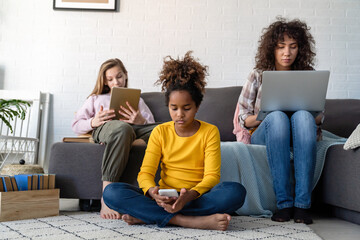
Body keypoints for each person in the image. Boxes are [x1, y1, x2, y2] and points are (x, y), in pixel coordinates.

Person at [102, 51, 246, 231]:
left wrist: (188, 196)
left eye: (186, 108)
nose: (179, 114)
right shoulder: (160, 131)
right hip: (163, 197)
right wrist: (153, 193)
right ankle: (187, 221)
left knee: (236, 192)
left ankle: (148, 217)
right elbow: (145, 173)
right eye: (173, 108)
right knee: (111, 193)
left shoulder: (210, 131)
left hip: (195, 197)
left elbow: (212, 176)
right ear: (167, 106)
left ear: (197, 106)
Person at [233, 17, 321, 224]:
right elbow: (243, 117)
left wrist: (306, 111)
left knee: (302, 117)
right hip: (266, 132)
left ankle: (302, 206)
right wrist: (268, 115)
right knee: (278, 117)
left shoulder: (308, 75)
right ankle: (284, 204)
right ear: (272, 49)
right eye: (281, 47)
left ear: (300, 49)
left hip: (301, 131)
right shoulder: (257, 74)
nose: (287, 53)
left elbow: (319, 117)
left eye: (293, 47)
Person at [72, 58, 157, 219]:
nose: (116, 82)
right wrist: (94, 121)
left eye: (119, 77)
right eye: (110, 79)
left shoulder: (138, 100)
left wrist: (140, 121)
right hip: (106, 129)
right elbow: (76, 124)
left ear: (125, 75)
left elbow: (151, 126)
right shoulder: (95, 99)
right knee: (122, 128)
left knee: (165, 129)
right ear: (104, 81)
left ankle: (127, 141)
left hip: (134, 130)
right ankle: (106, 198)